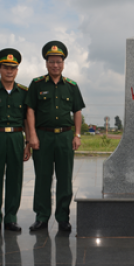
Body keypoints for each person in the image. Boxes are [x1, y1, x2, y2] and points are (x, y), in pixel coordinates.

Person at [25, 41, 85, 232]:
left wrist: (77, 135)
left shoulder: (72, 86)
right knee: (42, 178)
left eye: (58, 61)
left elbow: (77, 112)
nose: (55, 65)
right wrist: (31, 135)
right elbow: (30, 110)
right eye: (51, 61)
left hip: (65, 137)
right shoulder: (36, 84)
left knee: (65, 178)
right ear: (46, 63)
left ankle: (63, 218)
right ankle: (41, 217)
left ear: (63, 63)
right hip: (42, 137)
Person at [0, 48, 31, 233]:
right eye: (5, 67)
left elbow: (26, 120)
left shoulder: (24, 92)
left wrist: (27, 143)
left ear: (17, 70)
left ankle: (11, 218)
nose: (9, 71)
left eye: (13, 67)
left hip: (17, 136)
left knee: (15, 179)